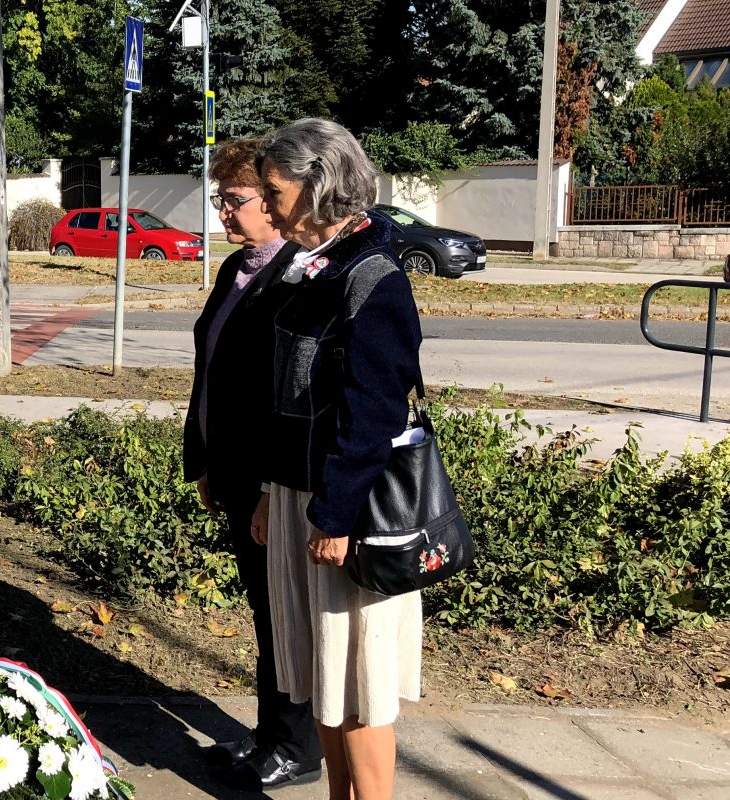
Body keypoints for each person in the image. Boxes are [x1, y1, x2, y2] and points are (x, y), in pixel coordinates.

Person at [252, 117, 424, 800]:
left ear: (318, 185)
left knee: (359, 685)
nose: (267, 208)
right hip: (301, 499)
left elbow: (374, 411)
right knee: (325, 680)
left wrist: (336, 514)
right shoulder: (311, 268)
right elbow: (283, 399)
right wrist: (272, 491)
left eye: (274, 191)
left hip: (348, 511)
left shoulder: (372, 276)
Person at [182, 136, 324, 791]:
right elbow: (213, 370)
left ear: (271, 203)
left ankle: (297, 747)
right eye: (220, 200)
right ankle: (269, 737)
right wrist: (206, 461)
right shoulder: (236, 270)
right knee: (265, 611)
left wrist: (270, 487)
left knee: (284, 614)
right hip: (235, 471)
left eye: (234, 200)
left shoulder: (297, 276)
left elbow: (286, 398)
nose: (223, 213)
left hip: (273, 481)